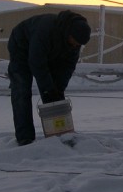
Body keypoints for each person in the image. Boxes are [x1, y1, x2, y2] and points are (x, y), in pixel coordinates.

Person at [7, 10, 91, 145]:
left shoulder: (75, 42)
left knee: (55, 94)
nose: (76, 46)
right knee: (21, 89)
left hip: (49, 53)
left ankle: (60, 134)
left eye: (79, 44)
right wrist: (48, 89)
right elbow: (37, 63)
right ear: (69, 33)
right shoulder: (45, 31)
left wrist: (58, 89)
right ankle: (25, 137)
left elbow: (68, 67)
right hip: (21, 47)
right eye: (75, 42)